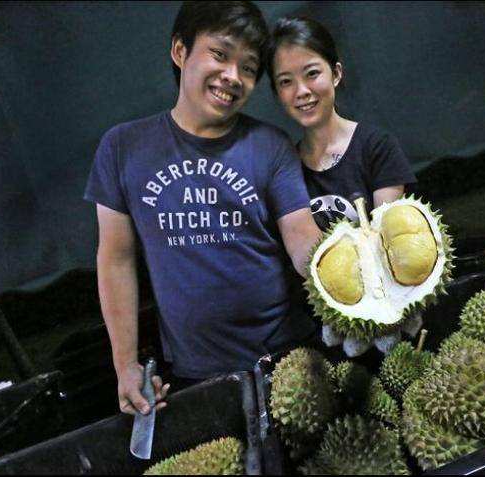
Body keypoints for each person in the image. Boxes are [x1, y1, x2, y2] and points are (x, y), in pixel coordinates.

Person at [84, 1, 322, 416]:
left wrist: (353, 290)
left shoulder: (271, 145)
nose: (233, 76)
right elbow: (116, 260)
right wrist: (125, 365)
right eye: (220, 54)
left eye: (248, 68)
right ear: (180, 51)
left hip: (289, 358)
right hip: (194, 374)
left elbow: (303, 238)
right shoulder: (122, 148)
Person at [267, 16, 418, 357]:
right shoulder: (284, 171)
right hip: (329, 334)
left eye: (312, 73)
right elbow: (303, 258)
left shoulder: (376, 147)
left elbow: (391, 240)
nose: (302, 91)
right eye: (286, 81)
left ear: (335, 73)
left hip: (392, 318)